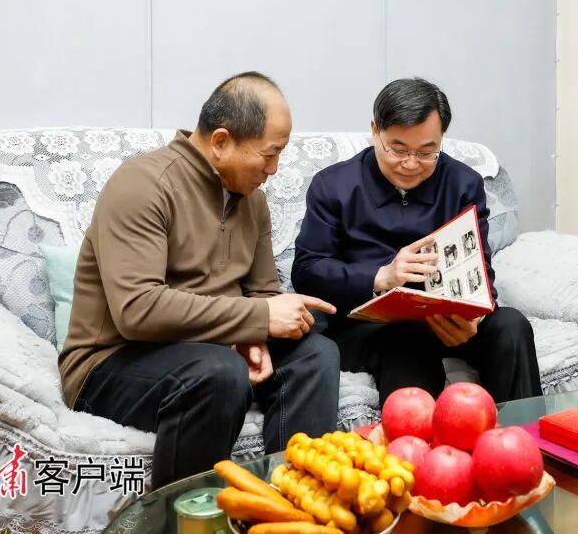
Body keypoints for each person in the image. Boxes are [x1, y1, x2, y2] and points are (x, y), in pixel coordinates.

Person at [59, 72, 340, 487]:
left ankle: (293, 503)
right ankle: (183, 517)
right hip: (112, 360)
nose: (274, 169)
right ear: (221, 141)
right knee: (218, 372)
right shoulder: (142, 185)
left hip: (211, 348)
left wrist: (254, 337)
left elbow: (261, 293)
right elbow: (137, 311)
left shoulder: (253, 202)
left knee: (315, 352)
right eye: (269, 154)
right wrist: (256, 319)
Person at [291, 77, 542, 403]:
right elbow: (307, 270)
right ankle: (415, 436)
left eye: (426, 152)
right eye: (397, 149)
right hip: (369, 329)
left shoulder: (462, 183)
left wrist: (473, 316)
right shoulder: (334, 185)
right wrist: (381, 276)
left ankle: (524, 433)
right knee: (406, 341)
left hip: (444, 319)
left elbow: (479, 266)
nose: (410, 164)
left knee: (511, 325)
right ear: (374, 130)